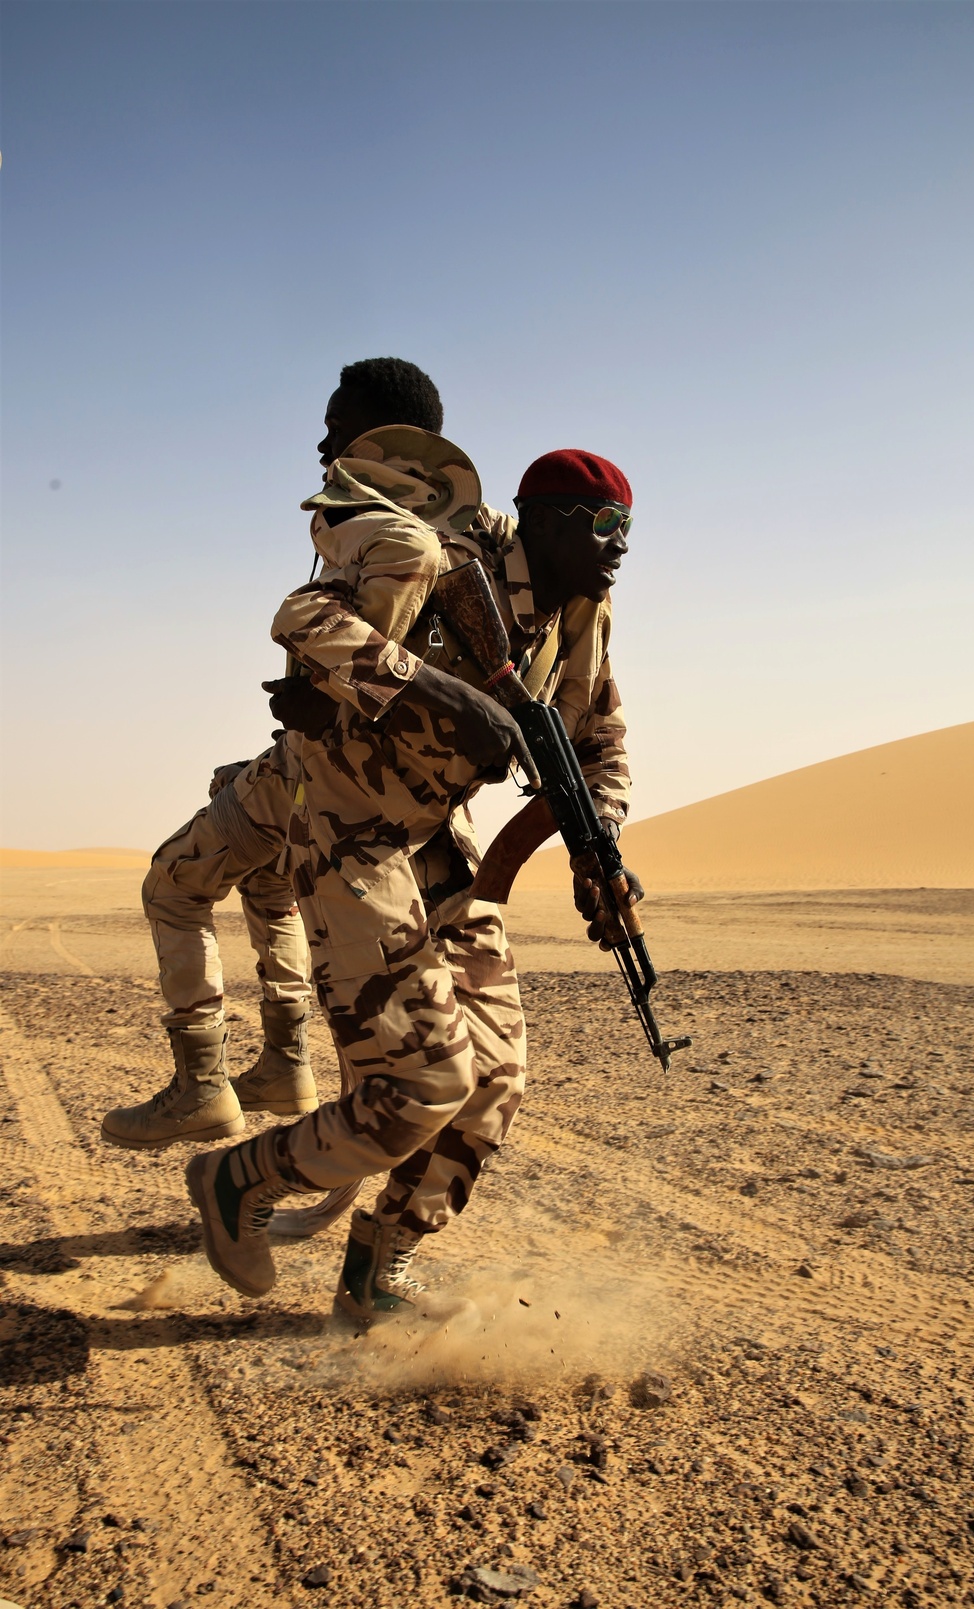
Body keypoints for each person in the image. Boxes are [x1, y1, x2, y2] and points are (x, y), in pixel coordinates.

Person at [186, 440, 638, 1323]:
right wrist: (436, 688)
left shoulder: (586, 617)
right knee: (424, 1081)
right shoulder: (447, 567)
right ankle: (237, 1176)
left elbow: (603, 740)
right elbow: (301, 616)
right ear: (545, 523)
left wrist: (600, 843)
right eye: (605, 525)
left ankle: (375, 1270)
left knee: (494, 1079)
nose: (621, 544)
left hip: (439, 843)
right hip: (349, 834)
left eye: (630, 526)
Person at [100, 359, 449, 1152]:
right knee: (262, 873)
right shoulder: (428, 532)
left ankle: (203, 1086)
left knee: (173, 882)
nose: (322, 438)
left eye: (340, 423)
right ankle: (285, 1063)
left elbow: (360, 683)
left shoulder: (392, 533)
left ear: (388, 438)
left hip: (330, 788)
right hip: (305, 772)